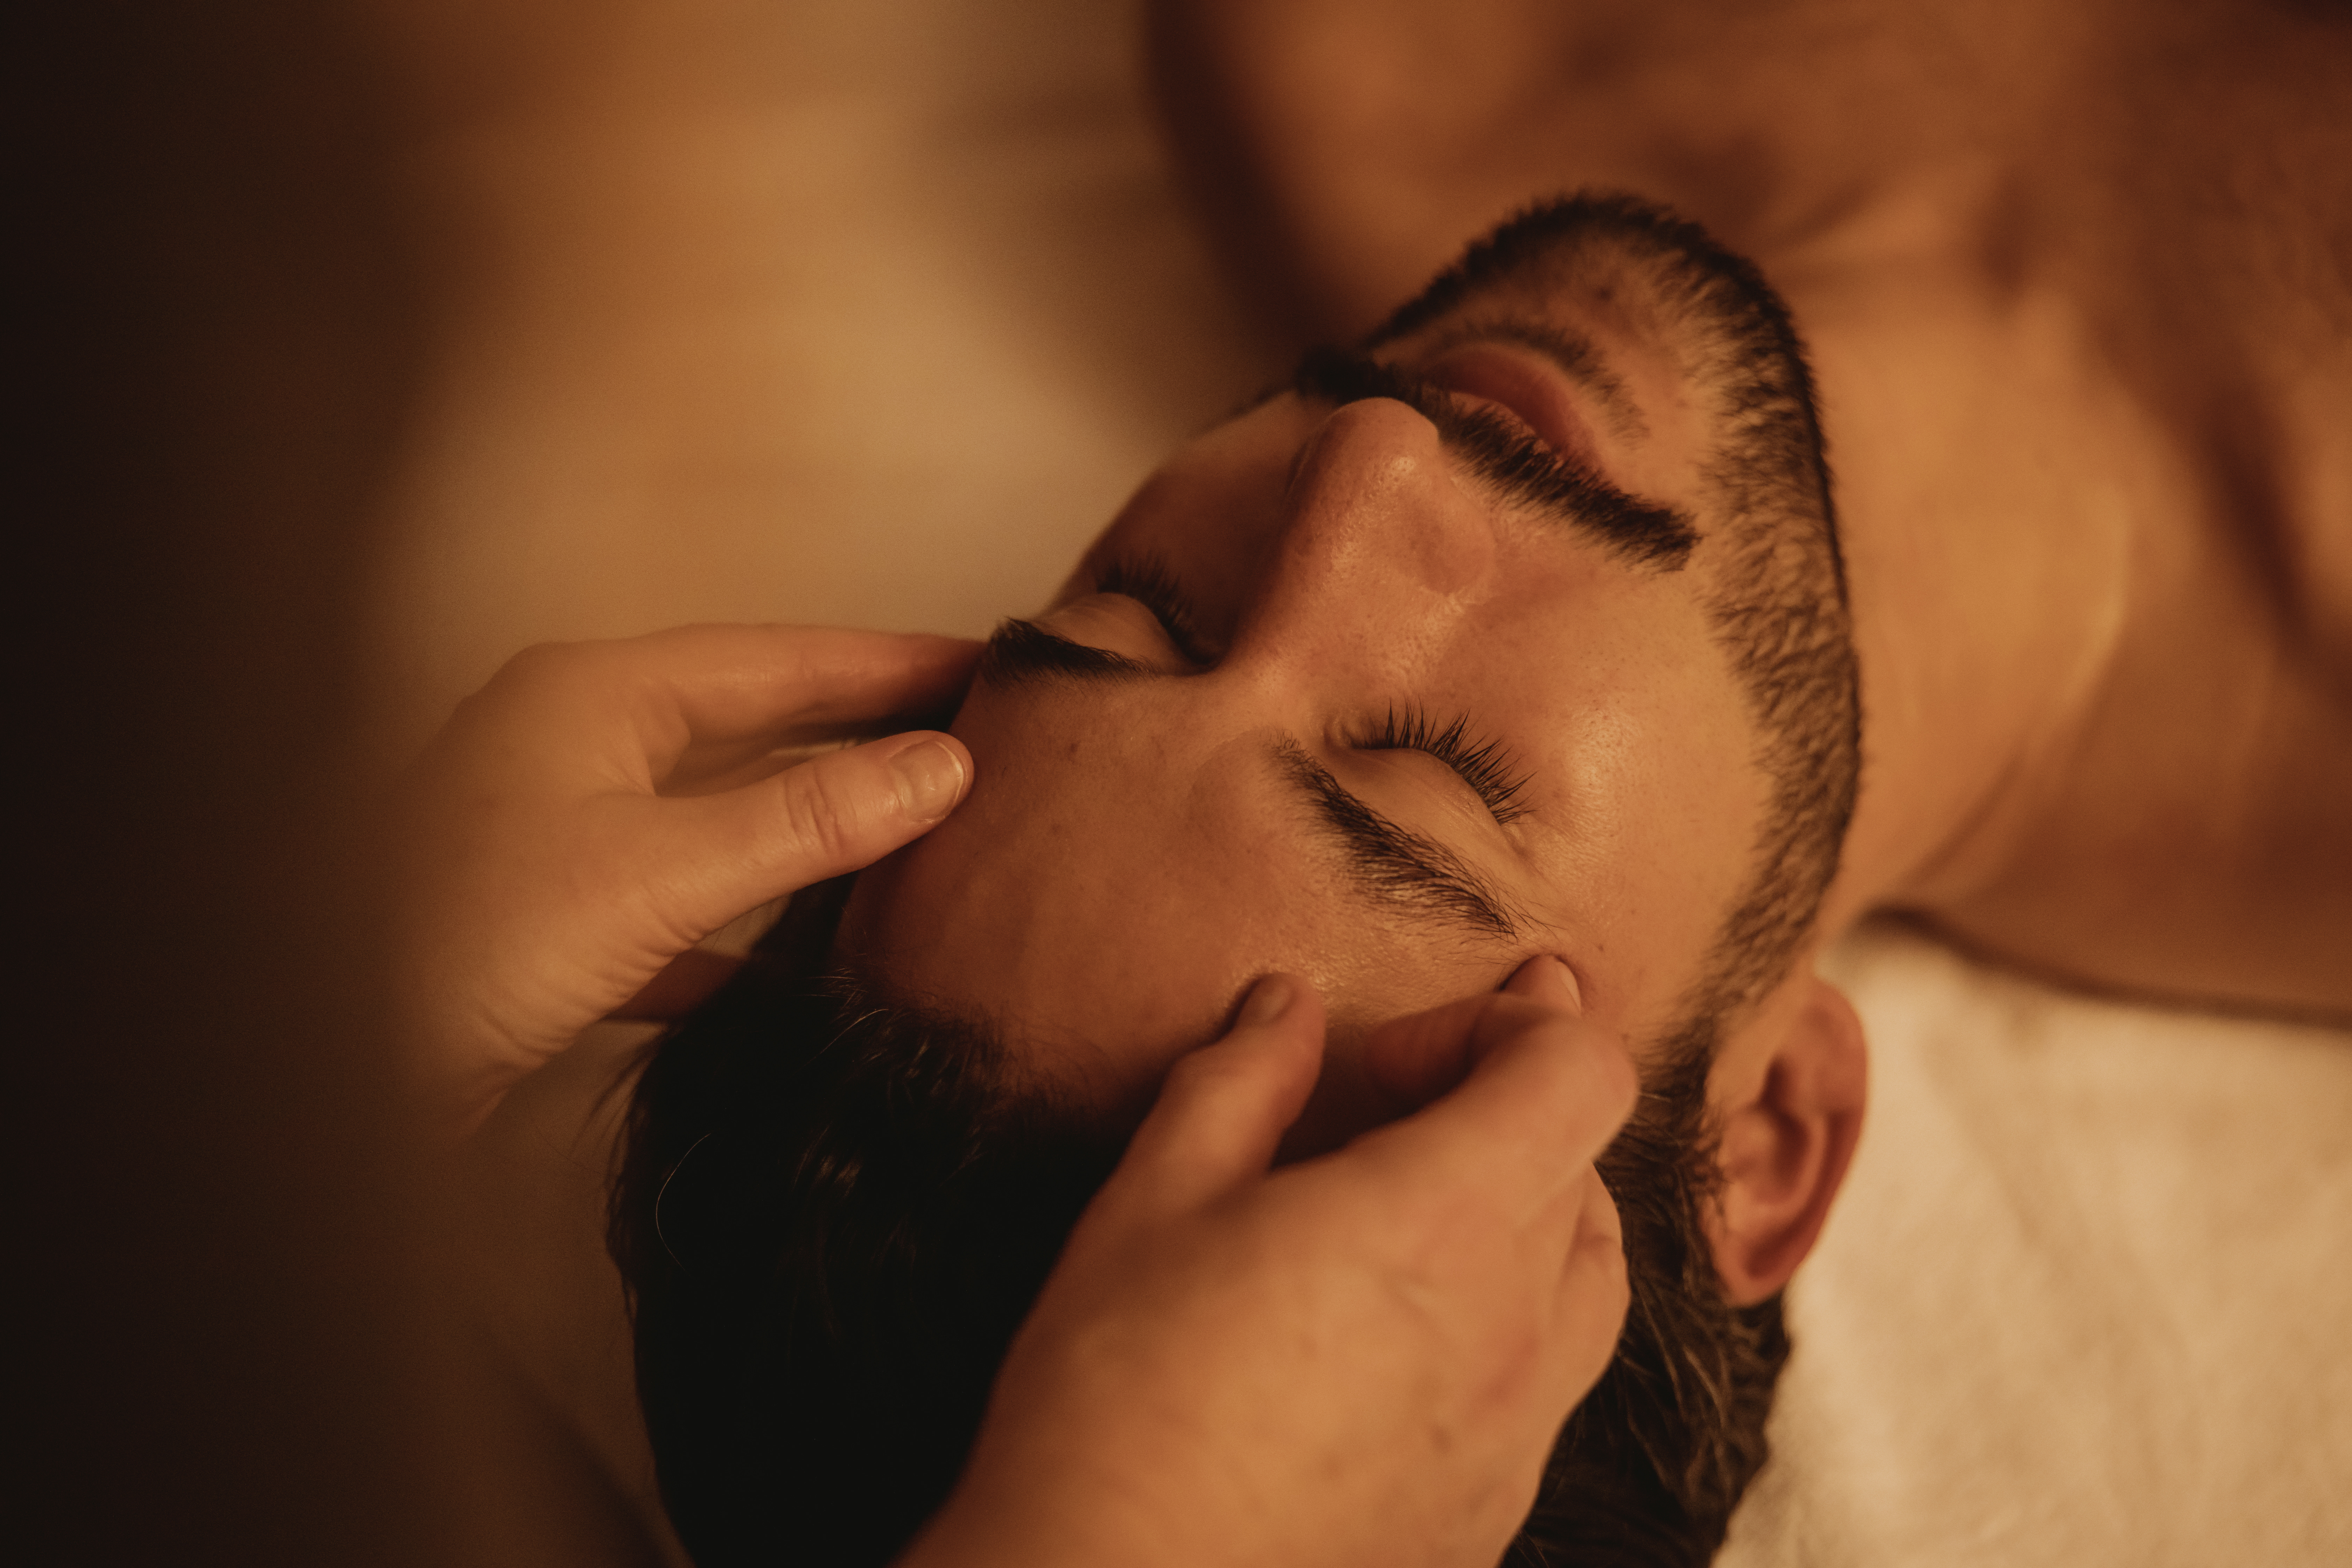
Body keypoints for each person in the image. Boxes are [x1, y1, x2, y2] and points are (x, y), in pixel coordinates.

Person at [419, 1, 2351, 1562]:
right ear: (1760, 1140)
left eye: (1144, 611)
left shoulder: (1352, 56)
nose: (1371, 467)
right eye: (1425, 773)